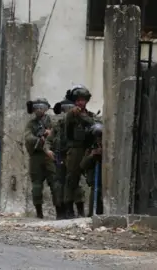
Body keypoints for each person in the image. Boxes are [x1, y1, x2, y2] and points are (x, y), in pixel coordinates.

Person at [24, 98, 63, 219]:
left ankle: (59, 212)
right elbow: (28, 137)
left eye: (42, 107)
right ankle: (39, 213)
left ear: (46, 108)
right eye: (37, 107)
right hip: (36, 156)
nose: (39, 110)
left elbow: (59, 137)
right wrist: (38, 138)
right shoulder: (31, 124)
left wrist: (49, 134)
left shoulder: (52, 123)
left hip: (50, 156)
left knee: (55, 184)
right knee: (36, 185)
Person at [64, 85, 95, 218]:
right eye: (78, 100)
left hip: (87, 150)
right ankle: (70, 210)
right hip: (75, 150)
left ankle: (87, 211)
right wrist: (74, 114)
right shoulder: (71, 115)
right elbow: (68, 126)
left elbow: (92, 124)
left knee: (91, 180)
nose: (80, 102)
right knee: (72, 180)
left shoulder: (89, 115)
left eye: (83, 100)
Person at [49, 99, 76, 219]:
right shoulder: (57, 126)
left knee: (73, 184)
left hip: (72, 157)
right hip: (59, 157)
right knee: (58, 185)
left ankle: (72, 211)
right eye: (64, 109)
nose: (66, 112)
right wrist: (48, 150)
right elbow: (49, 141)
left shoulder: (77, 123)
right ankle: (60, 212)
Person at [80, 122, 103, 217]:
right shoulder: (91, 148)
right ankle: (91, 215)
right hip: (94, 179)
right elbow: (82, 165)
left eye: (100, 137)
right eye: (97, 137)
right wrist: (92, 155)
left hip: (106, 180)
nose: (98, 140)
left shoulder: (109, 146)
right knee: (95, 194)